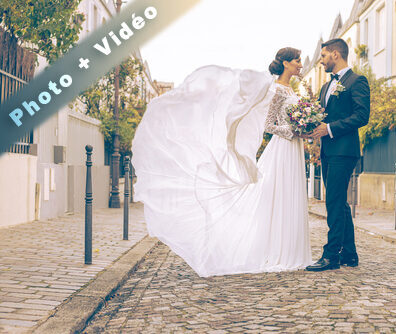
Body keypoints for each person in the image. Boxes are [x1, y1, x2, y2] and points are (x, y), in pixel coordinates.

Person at [131, 47, 312, 278]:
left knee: (292, 195)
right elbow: (269, 125)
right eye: (297, 60)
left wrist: (303, 128)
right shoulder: (276, 90)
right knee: (279, 196)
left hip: (295, 148)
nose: (300, 64)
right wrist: (293, 129)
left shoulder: (292, 89)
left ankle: (293, 250)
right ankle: (278, 251)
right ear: (286, 63)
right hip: (283, 147)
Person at [306, 38, 370, 272]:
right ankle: (350, 254)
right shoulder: (325, 86)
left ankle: (331, 255)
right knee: (339, 203)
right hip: (327, 150)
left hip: (345, 151)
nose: (321, 61)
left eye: (323, 56)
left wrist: (330, 129)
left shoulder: (357, 81)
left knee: (333, 202)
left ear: (335, 54)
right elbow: (324, 116)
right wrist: (310, 127)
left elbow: (362, 116)